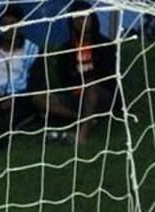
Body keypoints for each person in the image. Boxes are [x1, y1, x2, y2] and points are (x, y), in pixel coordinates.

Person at [0, 4, 76, 141]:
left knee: (15, 114)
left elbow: (37, 84)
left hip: (22, 99)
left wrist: (16, 98)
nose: (9, 28)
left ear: (21, 25)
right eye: (5, 24)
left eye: (13, 24)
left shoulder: (33, 51)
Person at [55, 2, 119, 144]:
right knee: (39, 98)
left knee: (91, 87)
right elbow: (64, 79)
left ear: (92, 19)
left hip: (101, 95)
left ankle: (82, 136)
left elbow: (110, 77)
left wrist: (88, 84)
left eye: (85, 18)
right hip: (75, 95)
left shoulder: (105, 45)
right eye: (77, 18)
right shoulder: (66, 49)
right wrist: (77, 88)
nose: (81, 22)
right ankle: (84, 117)